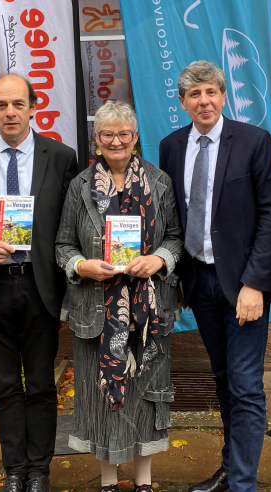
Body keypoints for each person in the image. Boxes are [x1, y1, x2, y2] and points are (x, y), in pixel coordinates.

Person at [159, 61, 271, 492]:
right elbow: (173, 217)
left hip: (245, 285)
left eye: (211, 92)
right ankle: (231, 469)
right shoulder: (171, 146)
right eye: (194, 95)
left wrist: (255, 284)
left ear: (223, 95)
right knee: (223, 381)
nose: (204, 101)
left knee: (246, 385)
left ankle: (243, 484)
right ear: (182, 102)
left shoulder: (253, 141)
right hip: (200, 282)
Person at [0, 73, 79, 492]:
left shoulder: (61, 156)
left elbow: (71, 223)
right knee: (3, 384)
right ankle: (15, 470)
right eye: (1, 105)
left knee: (41, 383)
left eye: (18, 104)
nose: (10, 112)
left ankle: (39, 470)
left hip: (41, 285)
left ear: (33, 107)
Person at [56, 100, 184, 492]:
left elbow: (176, 238)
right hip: (96, 310)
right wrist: (81, 266)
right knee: (100, 400)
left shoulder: (159, 181)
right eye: (107, 134)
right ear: (97, 139)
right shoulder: (79, 186)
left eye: (123, 134)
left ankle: (144, 480)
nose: (116, 141)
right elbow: (62, 244)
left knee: (145, 396)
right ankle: (109, 480)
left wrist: (158, 260)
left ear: (135, 137)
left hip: (148, 312)